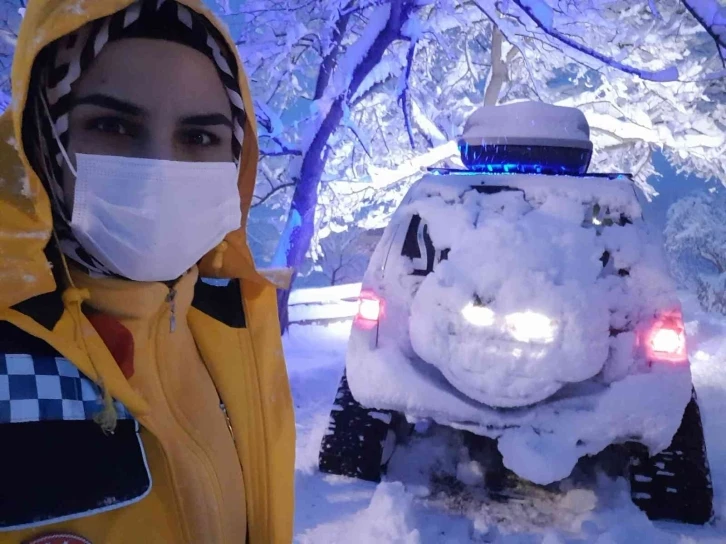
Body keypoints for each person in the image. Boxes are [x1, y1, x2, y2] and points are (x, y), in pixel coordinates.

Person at [0, 1, 295, 543]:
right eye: (112, 126)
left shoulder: (233, 323)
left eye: (200, 137)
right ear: (45, 139)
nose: (161, 168)